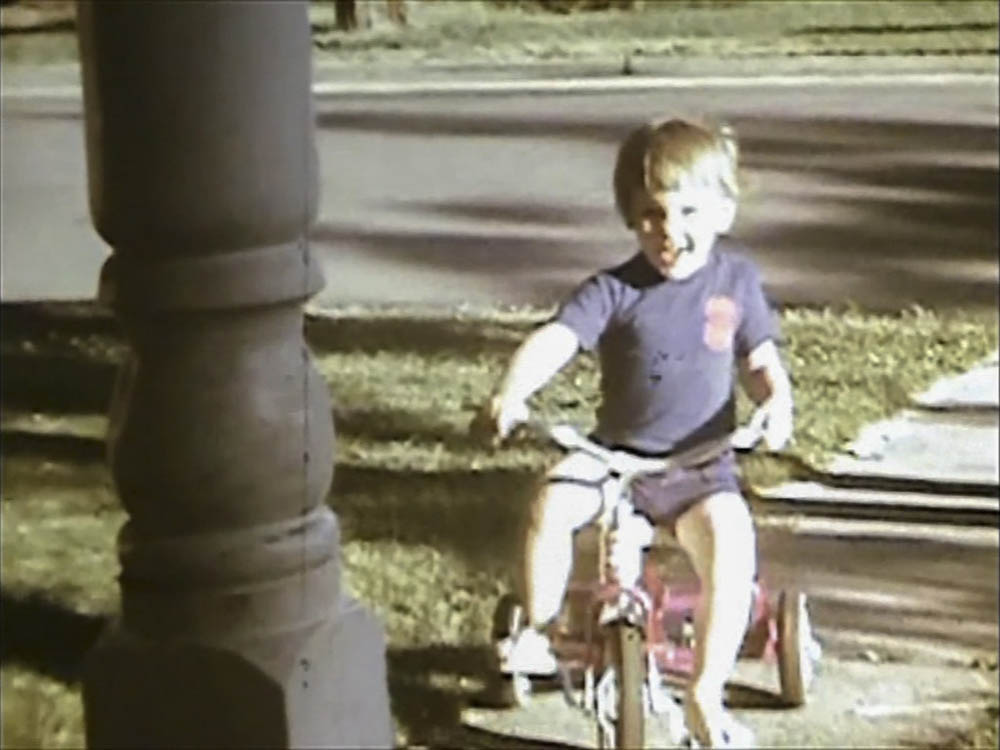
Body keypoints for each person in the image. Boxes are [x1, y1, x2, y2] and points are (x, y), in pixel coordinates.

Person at [477, 117, 793, 748]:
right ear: (630, 217)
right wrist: (512, 391)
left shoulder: (735, 285)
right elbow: (556, 340)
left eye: (688, 212)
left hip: (701, 465)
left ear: (724, 212)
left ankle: (704, 695)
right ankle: (538, 630)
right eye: (651, 215)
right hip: (616, 460)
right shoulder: (616, 290)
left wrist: (776, 405)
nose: (670, 232)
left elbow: (760, 362)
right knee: (552, 500)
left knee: (730, 547)